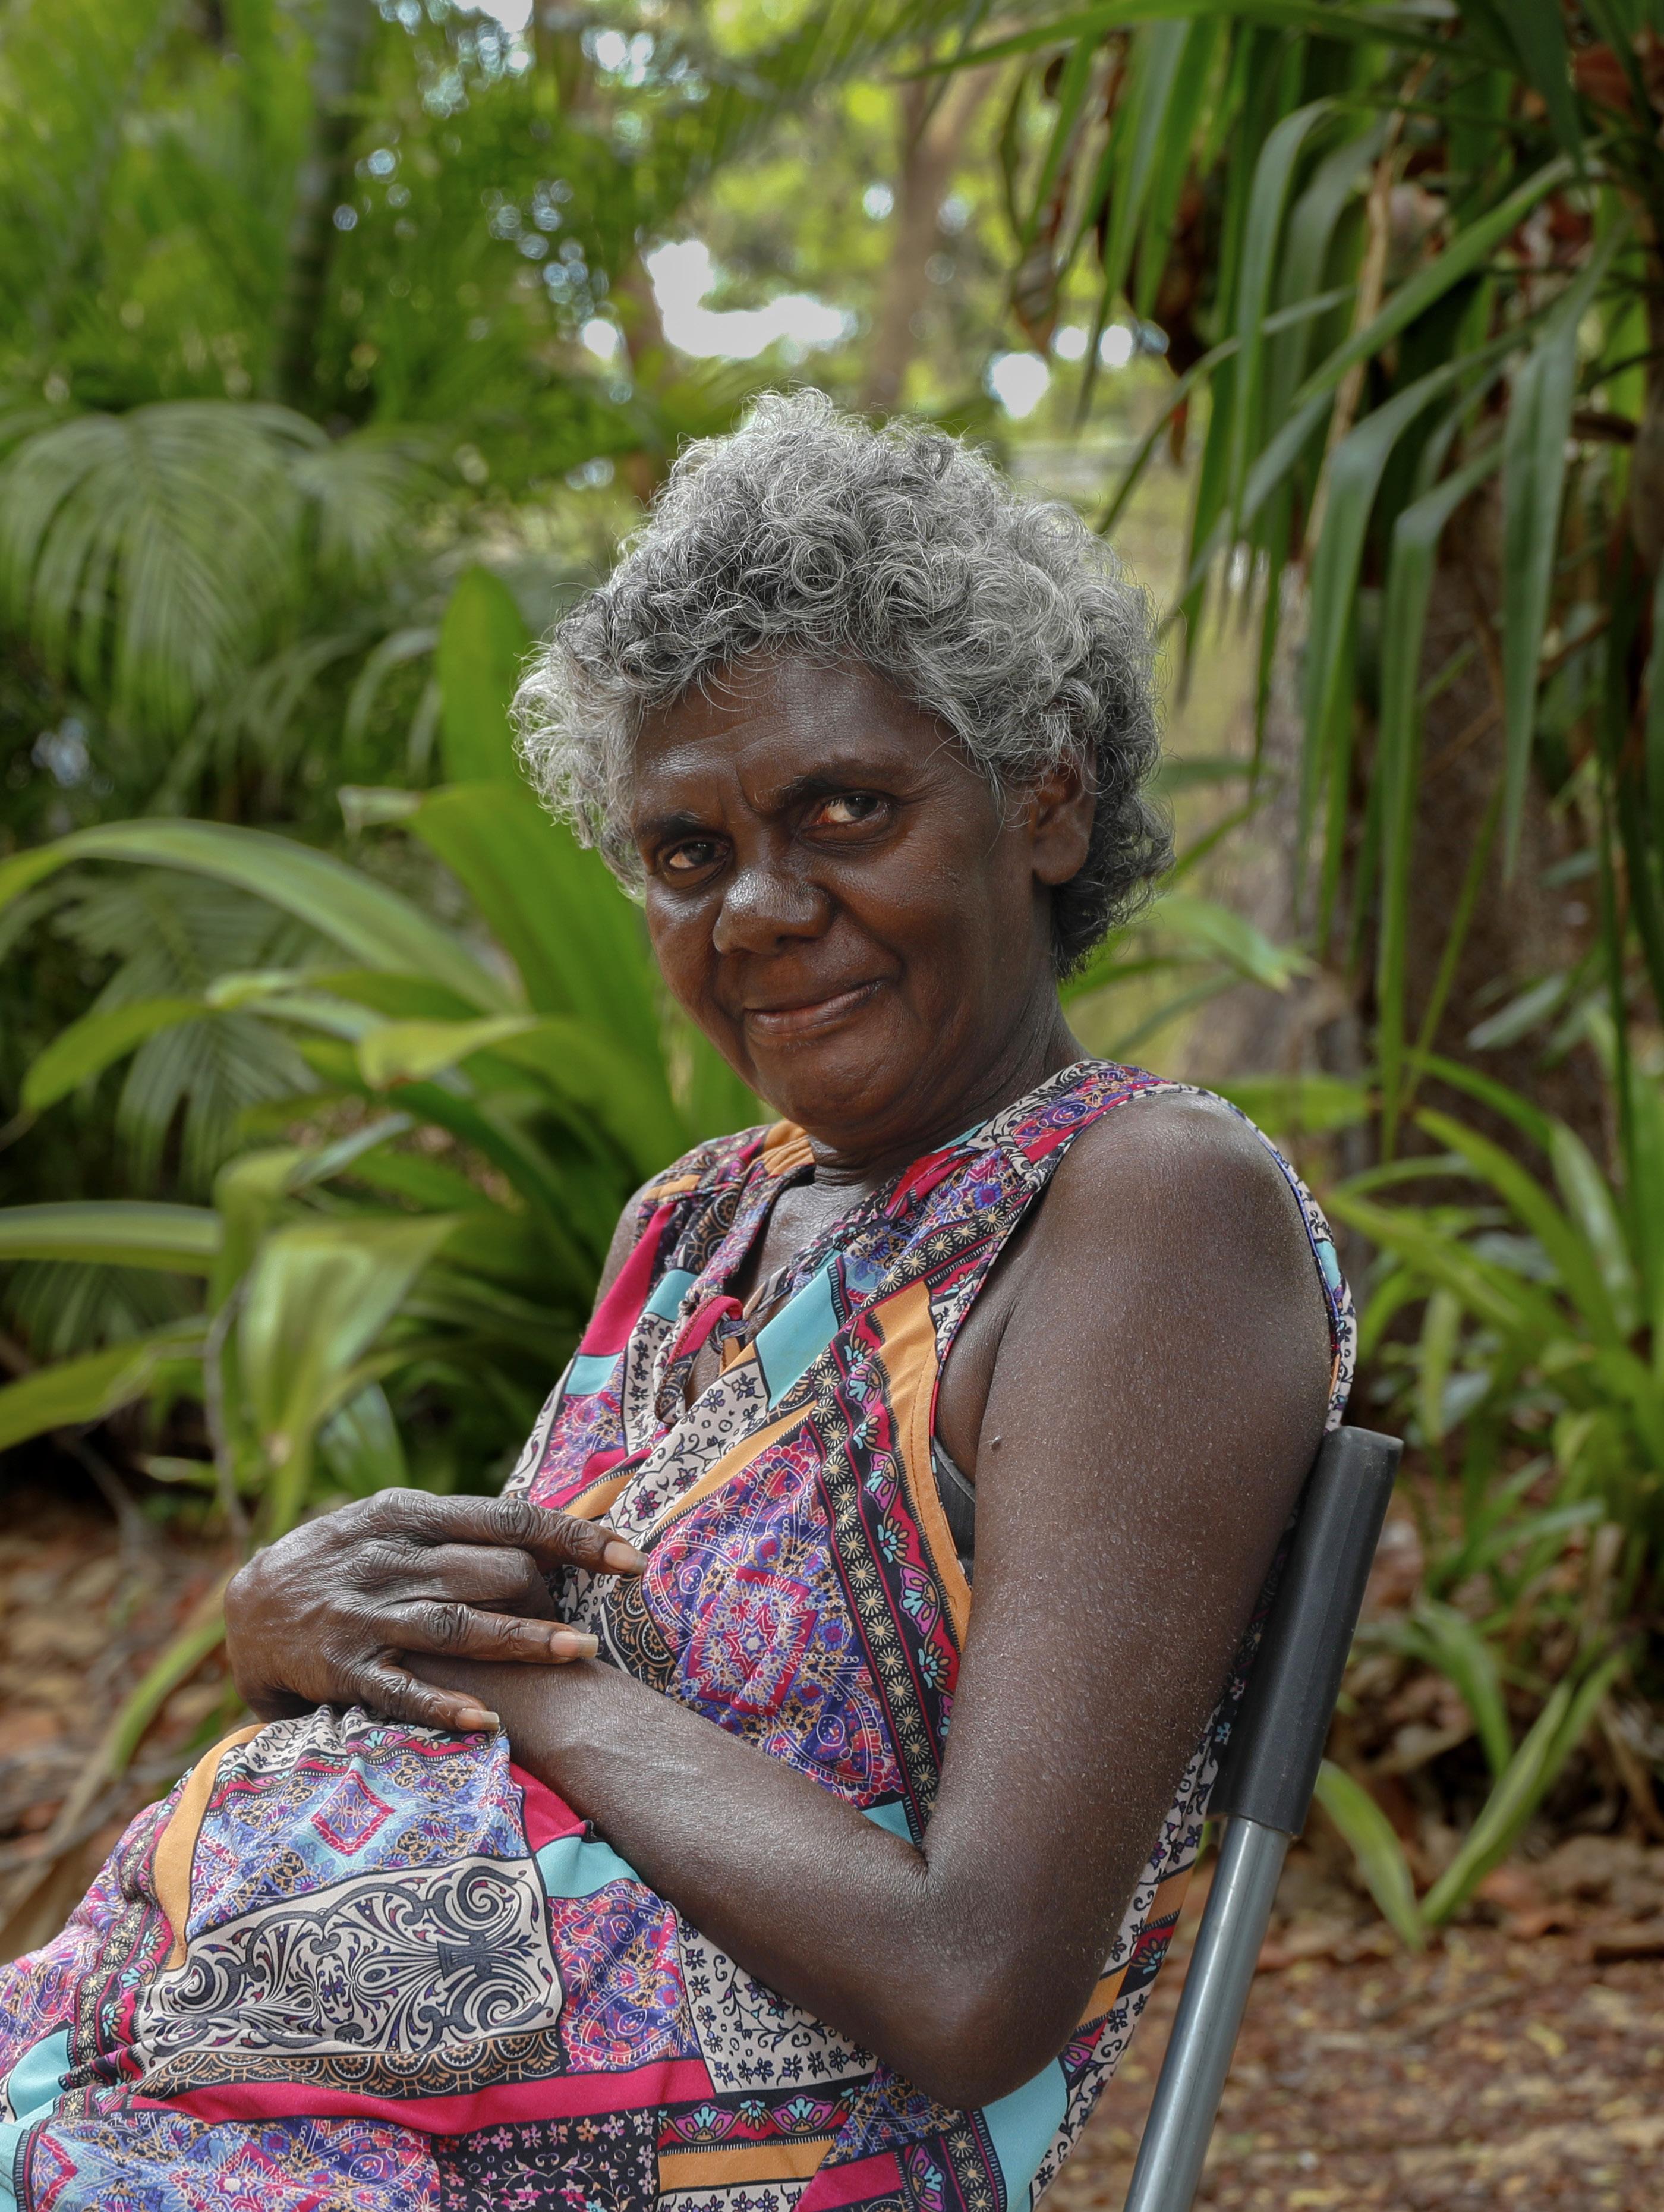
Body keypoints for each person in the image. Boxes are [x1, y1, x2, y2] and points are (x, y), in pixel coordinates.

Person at [0, 394, 1353, 2212]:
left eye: (845, 809)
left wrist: (505, 1677)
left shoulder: (1144, 1209)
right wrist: (296, 1619)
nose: (760, 908)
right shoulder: (702, 1217)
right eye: (688, 853)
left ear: (1047, 799)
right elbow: (494, 1643)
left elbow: (973, 1975)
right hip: (199, 2093)